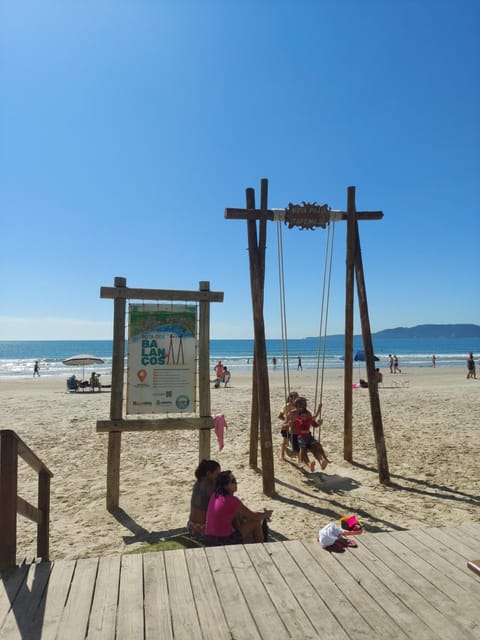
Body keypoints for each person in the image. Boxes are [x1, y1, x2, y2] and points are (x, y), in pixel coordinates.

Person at [204, 471, 273, 546]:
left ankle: (245, 543)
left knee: (237, 516)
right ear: (225, 486)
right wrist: (266, 515)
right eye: (233, 481)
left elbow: (244, 514)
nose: (236, 483)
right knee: (255, 522)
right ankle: (261, 548)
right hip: (223, 541)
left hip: (209, 539)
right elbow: (254, 516)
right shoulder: (232, 500)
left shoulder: (215, 495)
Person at [293, 399, 330, 472]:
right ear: (296, 405)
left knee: (316, 447)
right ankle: (305, 464)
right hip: (297, 437)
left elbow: (314, 420)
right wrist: (289, 424)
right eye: (301, 404)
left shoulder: (307, 415)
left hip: (308, 437)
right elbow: (286, 424)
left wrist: (319, 422)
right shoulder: (293, 415)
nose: (303, 406)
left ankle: (322, 461)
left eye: (304, 404)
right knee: (302, 450)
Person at [187, 459, 221, 539]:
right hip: (203, 528)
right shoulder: (210, 486)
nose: (218, 477)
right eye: (217, 474)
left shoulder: (197, 483)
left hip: (191, 526)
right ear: (209, 474)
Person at [278, 391, 299, 461]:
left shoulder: (298, 406)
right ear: (290, 398)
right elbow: (280, 416)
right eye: (295, 397)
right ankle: (282, 455)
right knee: (285, 441)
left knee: (297, 442)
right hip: (286, 427)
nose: (296, 399)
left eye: (297, 397)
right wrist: (287, 420)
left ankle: (299, 457)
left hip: (295, 427)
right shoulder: (286, 406)